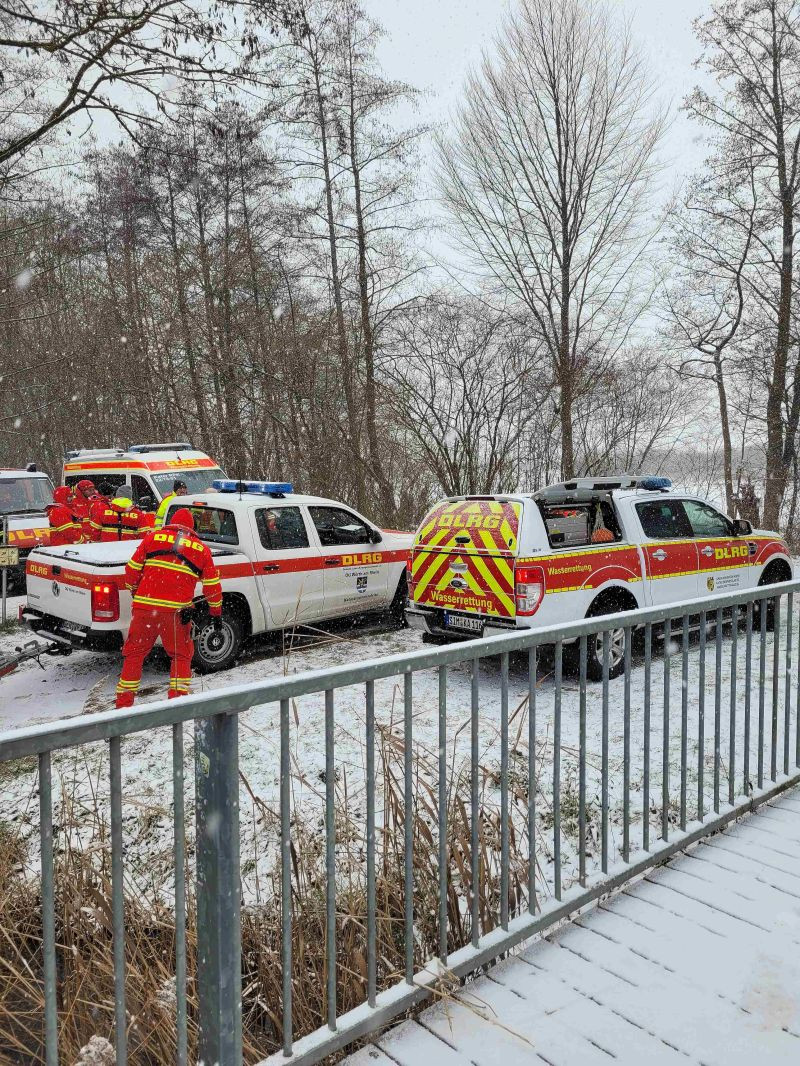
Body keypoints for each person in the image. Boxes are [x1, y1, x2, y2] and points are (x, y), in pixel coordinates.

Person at [115, 508, 222, 707]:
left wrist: (137, 592)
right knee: (181, 656)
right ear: (192, 527)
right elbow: (212, 588)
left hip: (144, 609)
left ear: (171, 522)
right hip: (176, 613)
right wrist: (216, 613)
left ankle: (123, 705)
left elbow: (130, 571)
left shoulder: (152, 537)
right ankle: (177, 704)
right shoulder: (202, 549)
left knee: (134, 655)